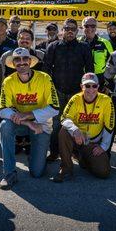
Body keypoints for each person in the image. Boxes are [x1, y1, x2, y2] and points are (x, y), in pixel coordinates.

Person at [0, 48, 60, 190]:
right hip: (21, 123)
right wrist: (28, 122)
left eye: (25, 59)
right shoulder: (8, 81)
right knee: (4, 125)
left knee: (37, 173)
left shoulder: (45, 78)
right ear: (13, 64)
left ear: (30, 61)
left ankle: (33, 153)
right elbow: (2, 110)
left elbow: (55, 107)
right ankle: (9, 173)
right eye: (17, 60)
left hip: (40, 125)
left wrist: (29, 115)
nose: (21, 62)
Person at [43, 19, 94, 161]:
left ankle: (76, 152)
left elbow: (89, 72)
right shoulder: (53, 46)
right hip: (57, 91)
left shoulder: (84, 47)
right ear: (62, 30)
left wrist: (88, 91)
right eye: (67, 28)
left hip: (77, 93)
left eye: (73, 29)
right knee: (57, 124)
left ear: (77, 31)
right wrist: (49, 90)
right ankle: (54, 152)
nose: (70, 31)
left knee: (76, 124)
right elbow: (46, 70)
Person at [51, 73, 114, 183]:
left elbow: (110, 125)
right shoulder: (75, 99)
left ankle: (82, 157)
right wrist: (75, 130)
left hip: (93, 142)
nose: (90, 89)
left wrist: (103, 147)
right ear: (81, 86)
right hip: (77, 139)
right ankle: (66, 168)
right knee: (64, 131)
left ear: (98, 87)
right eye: (87, 86)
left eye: (94, 86)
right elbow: (64, 118)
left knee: (104, 172)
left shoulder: (106, 100)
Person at [79, 16, 113, 86]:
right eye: (86, 26)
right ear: (82, 27)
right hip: (80, 80)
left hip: (101, 81)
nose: (90, 28)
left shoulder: (105, 43)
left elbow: (113, 64)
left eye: (93, 26)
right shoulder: (77, 42)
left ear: (96, 27)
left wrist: (108, 83)